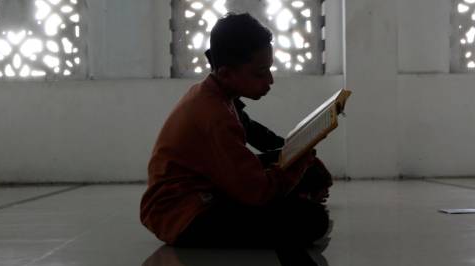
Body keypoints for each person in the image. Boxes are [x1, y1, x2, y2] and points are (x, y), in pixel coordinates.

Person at [140, 13, 333, 248]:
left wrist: (301, 154)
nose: (270, 80)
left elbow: (258, 136)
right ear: (226, 74)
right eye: (260, 73)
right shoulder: (215, 115)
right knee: (311, 220)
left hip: (210, 188)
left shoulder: (216, 92)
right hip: (184, 213)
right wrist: (299, 164)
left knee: (296, 166)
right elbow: (259, 192)